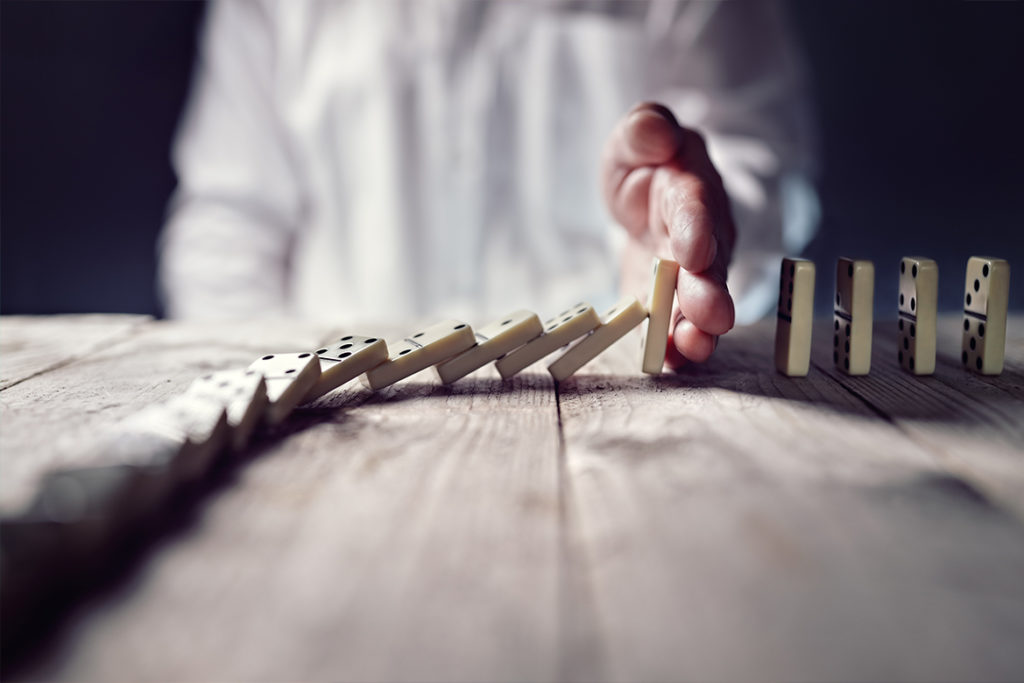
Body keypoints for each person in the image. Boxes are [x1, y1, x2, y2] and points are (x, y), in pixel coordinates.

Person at [159, 0, 817, 367]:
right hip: (332, 417)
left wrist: (700, 245)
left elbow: (764, 167)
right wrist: (278, 398)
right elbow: (227, 229)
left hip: (613, 414)